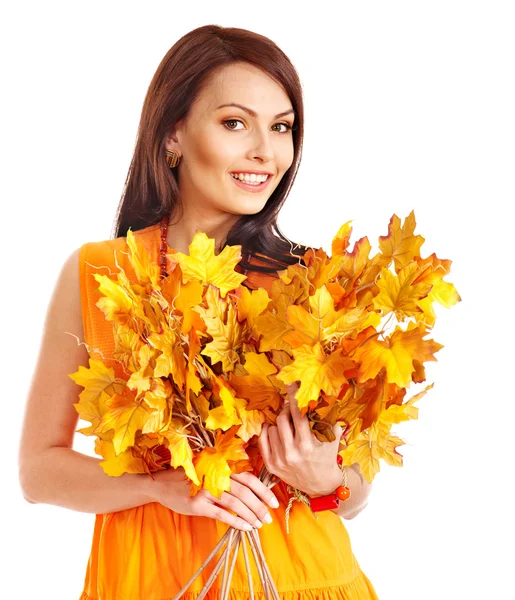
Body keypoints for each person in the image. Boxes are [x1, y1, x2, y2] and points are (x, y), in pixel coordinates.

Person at [18, 24, 379, 600]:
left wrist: (327, 479)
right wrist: (160, 486)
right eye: (235, 123)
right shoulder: (100, 273)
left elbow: (357, 489)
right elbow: (38, 474)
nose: (265, 150)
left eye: (281, 127)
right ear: (172, 136)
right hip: (147, 581)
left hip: (299, 580)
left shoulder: (316, 282)